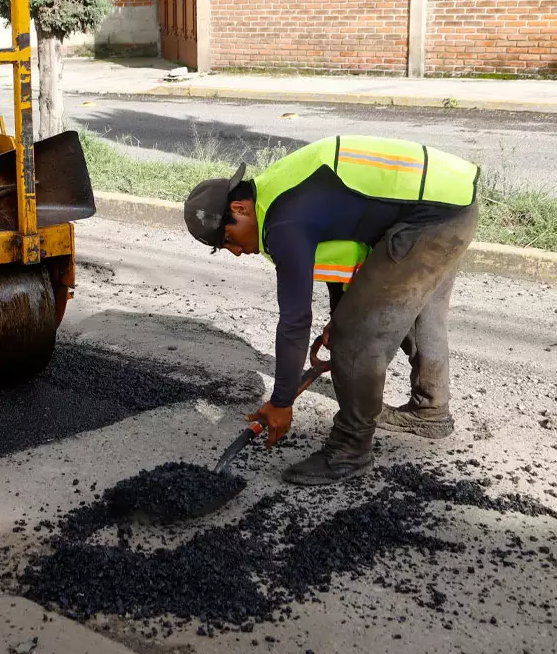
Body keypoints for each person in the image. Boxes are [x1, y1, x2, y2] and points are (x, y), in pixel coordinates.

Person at [183, 135, 481, 485]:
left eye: (229, 240)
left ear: (241, 209)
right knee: (418, 310)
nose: (235, 252)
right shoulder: (278, 191)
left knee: (357, 337)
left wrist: (281, 402)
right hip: (453, 200)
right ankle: (430, 411)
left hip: (430, 218)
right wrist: (340, 313)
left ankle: (349, 451)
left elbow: (294, 322)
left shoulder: (282, 223)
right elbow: (348, 247)